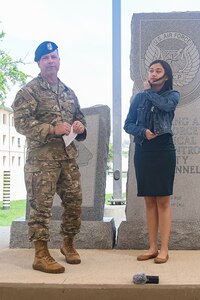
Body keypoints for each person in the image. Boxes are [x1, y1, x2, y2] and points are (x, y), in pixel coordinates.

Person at [12, 41, 87, 274]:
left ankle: (67, 244)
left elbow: (80, 117)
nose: (50, 61)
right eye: (45, 58)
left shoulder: (68, 92)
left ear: (59, 61)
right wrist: (52, 129)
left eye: (54, 57)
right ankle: (41, 254)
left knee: (74, 202)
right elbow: (21, 123)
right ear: (38, 63)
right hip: (41, 160)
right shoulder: (28, 91)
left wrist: (79, 125)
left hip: (67, 158)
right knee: (41, 207)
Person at [124, 59, 180, 264]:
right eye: (151, 70)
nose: (153, 73)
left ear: (166, 76)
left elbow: (164, 106)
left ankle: (164, 248)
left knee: (163, 200)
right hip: (143, 150)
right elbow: (128, 124)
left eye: (158, 71)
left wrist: (148, 92)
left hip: (163, 150)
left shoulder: (172, 95)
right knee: (149, 200)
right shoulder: (139, 99)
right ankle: (152, 247)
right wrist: (142, 132)